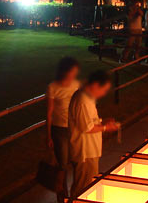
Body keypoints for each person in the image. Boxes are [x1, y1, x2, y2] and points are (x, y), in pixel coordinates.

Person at [68, 70, 119, 197]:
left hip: (89, 151)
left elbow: (87, 120)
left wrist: (102, 121)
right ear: (95, 85)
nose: (103, 93)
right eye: (103, 89)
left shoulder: (86, 98)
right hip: (85, 152)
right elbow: (86, 127)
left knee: (87, 184)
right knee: (83, 188)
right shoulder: (83, 100)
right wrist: (106, 127)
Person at [46, 57, 80, 201]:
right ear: (65, 71)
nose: (74, 75)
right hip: (59, 129)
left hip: (74, 128)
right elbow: (49, 112)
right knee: (62, 164)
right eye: (72, 72)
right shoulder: (53, 87)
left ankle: (76, 193)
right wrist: (48, 136)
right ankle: (62, 196)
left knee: (77, 161)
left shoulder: (76, 85)